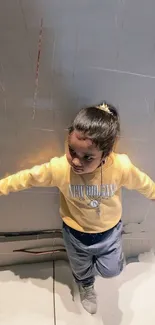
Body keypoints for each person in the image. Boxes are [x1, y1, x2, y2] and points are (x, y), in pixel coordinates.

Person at [0, 102, 155, 314]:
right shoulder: (60, 169)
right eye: (72, 151)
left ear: (106, 154)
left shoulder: (120, 167)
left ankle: (106, 265)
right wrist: (2, 187)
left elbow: (144, 183)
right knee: (81, 269)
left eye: (87, 157)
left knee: (112, 271)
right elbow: (28, 177)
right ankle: (86, 285)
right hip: (75, 234)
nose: (75, 161)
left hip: (109, 234)